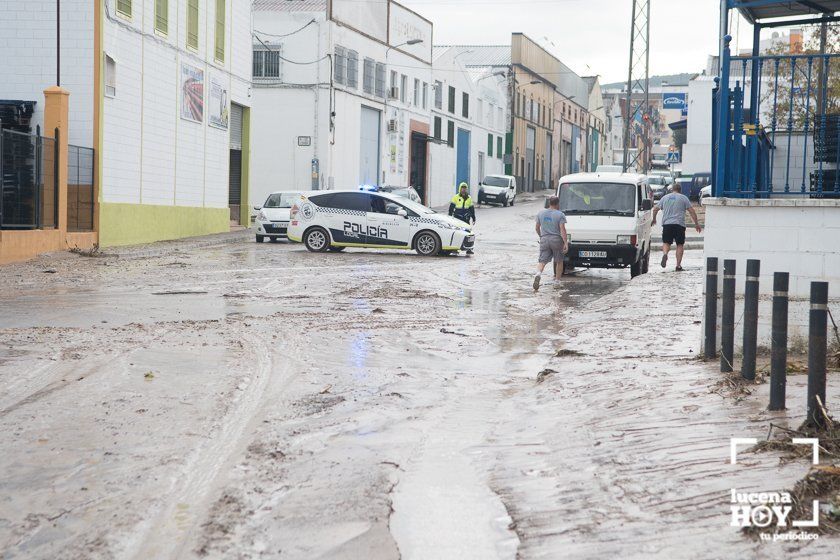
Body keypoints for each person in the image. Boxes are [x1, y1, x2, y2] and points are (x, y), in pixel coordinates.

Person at [652, 182, 701, 271]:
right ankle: (678, 265)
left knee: (666, 242)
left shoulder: (665, 198)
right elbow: (692, 211)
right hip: (679, 225)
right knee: (679, 244)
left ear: (672, 189)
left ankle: (665, 254)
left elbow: (655, 209)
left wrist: (654, 219)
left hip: (667, 224)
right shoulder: (683, 198)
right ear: (680, 190)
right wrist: (696, 224)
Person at [533, 195, 569, 291]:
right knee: (559, 261)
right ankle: (557, 282)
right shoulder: (560, 214)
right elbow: (562, 230)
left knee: (542, 261)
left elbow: (537, 228)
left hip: (544, 239)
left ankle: (538, 274)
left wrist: (541, 236)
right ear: (557, 204)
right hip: (556, 240)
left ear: (549, 203)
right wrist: (565, 242)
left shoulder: (540, 213)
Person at [449, 182, 476, 254]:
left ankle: (469, 249)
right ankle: (455, 249)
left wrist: (473, 217)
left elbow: (471, 208)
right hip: (457, 218)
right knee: (457, 233)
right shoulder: (456, 197)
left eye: (465, 188)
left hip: (466, 218)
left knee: (468, 234)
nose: (463, 190)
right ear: (460, 189)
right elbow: (451, 208)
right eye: (462, 188)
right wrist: (449, 217)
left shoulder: (469, 198)